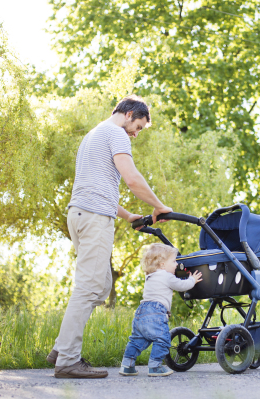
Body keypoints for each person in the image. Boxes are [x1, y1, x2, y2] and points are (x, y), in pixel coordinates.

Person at [47, 95, 173, 379]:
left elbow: (99, 189)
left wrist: (129, 216)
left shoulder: (94, 135)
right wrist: (158, 206)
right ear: (129, 114)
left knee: (101, 285)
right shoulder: (117, 133)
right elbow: (131, 178)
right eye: (138, 126)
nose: (136, 133)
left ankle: (61, 348)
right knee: (89, 287)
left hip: (79, 214)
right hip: (93, 219)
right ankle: (67, 360)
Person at [119, 243, 203, 377]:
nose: (176, 264)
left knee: (136, 341)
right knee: (163, 339)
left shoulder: (150, 276)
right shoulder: (166, 275)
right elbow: (182, 285)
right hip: (156, 312)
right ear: (163, 264)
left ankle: (127, 365)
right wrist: (192, 279)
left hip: (141, 312)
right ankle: (155, 366)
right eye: (174, 261)